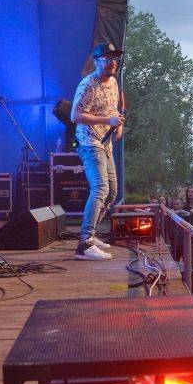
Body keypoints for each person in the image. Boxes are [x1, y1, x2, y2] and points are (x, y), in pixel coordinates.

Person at [70, 42, 124, 261]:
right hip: (90, 142)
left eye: (115, 59)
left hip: (106, 143)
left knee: (112, 192)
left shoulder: (113, 82)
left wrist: (118, 123)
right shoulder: (88, 84)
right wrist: (106, 120)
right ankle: (85, 242)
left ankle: (90, 234)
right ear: (97, 61)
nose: (113, 63)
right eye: (108, 59)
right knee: (100, 188)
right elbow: (75, 116)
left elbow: (113, 109)